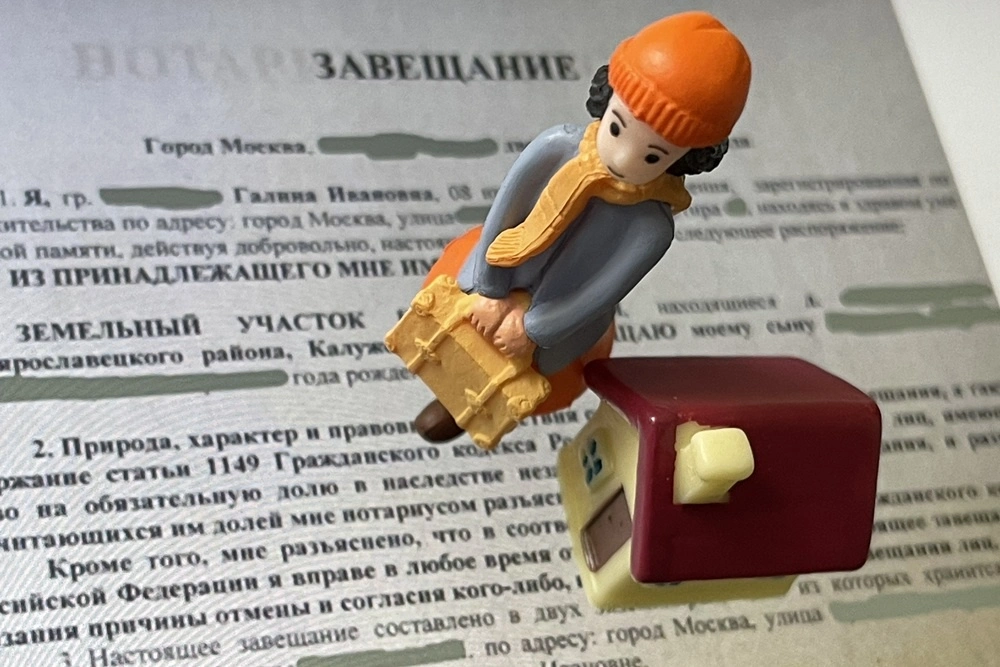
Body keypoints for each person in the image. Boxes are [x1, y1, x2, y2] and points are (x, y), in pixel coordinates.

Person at [414, 11, 752, 442]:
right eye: (617, 127)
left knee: (516, 377)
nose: (623, 159)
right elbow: (506, 210)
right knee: (454, 330)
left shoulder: (651, 227)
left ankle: (468, 409)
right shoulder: (556, 147)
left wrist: (532, 329)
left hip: (558, 318)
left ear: (686, 158)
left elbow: (599, 293)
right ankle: (446, 394)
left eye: (653, 156)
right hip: (496, 270)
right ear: (606, 99)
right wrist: (490, 288)